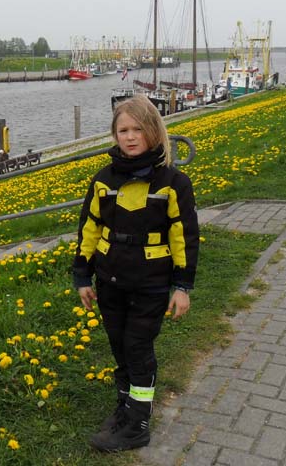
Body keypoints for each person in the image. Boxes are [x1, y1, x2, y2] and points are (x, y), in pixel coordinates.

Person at [73, 94, 199, 452]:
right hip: (110, 282)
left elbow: (184, 238)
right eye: (122, 130)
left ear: (154, 132)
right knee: (119, 347)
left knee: (137, 349)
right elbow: (89, 231)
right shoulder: (103, 180)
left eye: (138, 129)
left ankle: (138, 423)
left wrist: (181, 286)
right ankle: (125, 408)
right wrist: (82, 277)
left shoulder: (174, 183)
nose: (130, 137)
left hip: (151, 284)